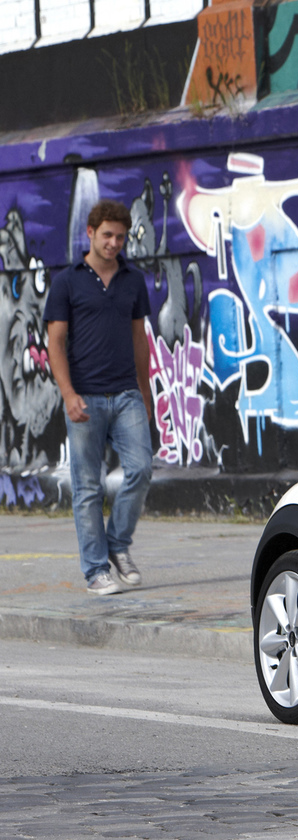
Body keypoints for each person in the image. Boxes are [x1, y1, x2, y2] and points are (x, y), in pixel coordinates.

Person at [45, 200, 154, 596]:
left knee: (141, 469)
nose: (114, 243)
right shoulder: (66, 282)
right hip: (85, 397)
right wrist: (68, 394)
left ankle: (117, 545)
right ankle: (95, 570)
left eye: (120, 237)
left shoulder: (133, 280)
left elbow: (139, 338)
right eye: (107, 235)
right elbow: (55, 342)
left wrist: (145, 391)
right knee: (88, 487)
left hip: (126, 393)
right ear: (90, 233)